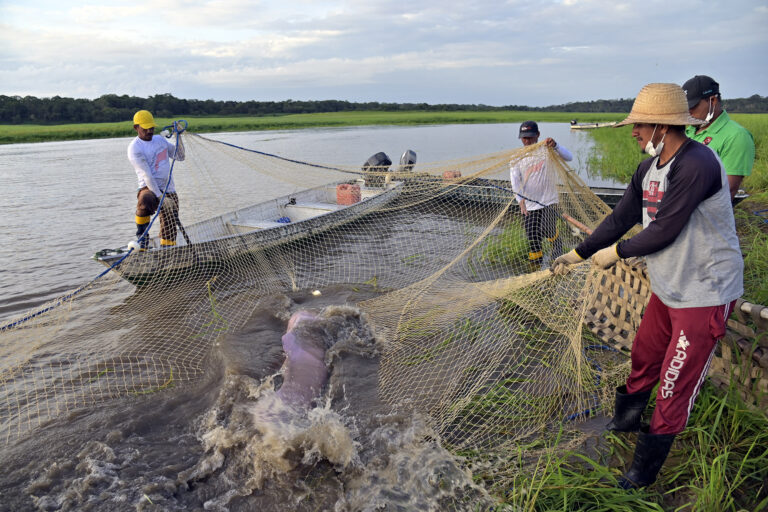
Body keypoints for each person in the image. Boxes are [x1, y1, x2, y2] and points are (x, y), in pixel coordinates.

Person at [552, 83, 743, 489]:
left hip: (704, 290)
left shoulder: (698, 164)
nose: (633, 132)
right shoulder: (649, 168)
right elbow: (620, 218)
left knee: (674, 384)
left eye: (638, 125)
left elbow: (666, 230)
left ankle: (642, 473)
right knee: (644, 356)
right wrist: (580, 253)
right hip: (668, 285)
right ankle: (626, 422)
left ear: (661, 125)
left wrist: (616, 254)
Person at [510, 120, 573, 268]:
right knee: (532, 235)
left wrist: (556, 145)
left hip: (548, 200)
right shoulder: (516, 157)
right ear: (520, 138)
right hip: (529, 203)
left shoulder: (548, 151)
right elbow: (515, 181)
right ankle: (536, 263)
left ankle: (557, 249)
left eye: (531, 137)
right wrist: (520, 200)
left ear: (538, 135)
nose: (527, 140)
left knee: (546, 228)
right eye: (524, 137)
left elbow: (569, 157)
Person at [682, 75, 755, 200]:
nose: (688, 113)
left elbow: (727, 189)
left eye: (692, 107)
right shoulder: (687, 131)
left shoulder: (736, 136)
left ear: (713, 101)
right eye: (685, 108)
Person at [128, 110, 185, 249]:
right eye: (145, 128)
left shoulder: (160, 140)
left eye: (151, 128)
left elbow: (180, 156)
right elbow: (147, 175)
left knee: (170, 220)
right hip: (148, 187)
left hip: (168, 187)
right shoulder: (134, 148)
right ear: (136, 128)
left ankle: (168, 248)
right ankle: (142, 241)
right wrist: (160, 197)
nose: (149, 131)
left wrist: (179, 136)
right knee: (145, 200)